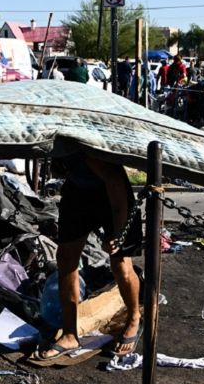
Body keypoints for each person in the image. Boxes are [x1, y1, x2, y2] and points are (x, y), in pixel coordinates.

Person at [34, 153, 143, 360]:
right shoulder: (56, 138)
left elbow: (114, 181)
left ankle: (134, 317)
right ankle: (69, 334)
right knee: (66, 259)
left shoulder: (88, 148)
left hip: (111, 194)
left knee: (120, 263)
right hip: (78, 192)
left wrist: (119, 233)